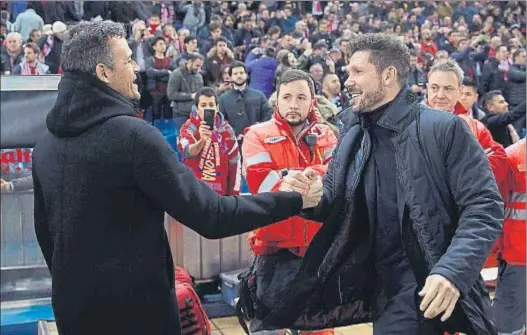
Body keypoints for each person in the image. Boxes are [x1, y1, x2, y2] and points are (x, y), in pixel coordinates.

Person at [31, 21, 323, 335]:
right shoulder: (135, 138)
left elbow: (47, 238)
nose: (136, 69)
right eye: (129, 59)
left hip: (73, 314)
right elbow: (213, 216)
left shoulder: (45, 144)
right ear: (103, 72)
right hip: (139, 318)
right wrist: (296, 200)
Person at [244, 33, 503, 335]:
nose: (347, 80)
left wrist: (451, 272)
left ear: (388, 75)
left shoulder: (444, 129)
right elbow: (335, 202)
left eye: (357, 71)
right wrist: (312, 199)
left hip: (441, 288)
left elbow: (484, 207)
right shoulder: (353, 135)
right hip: (387, 294)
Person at [241, 69, 338, 335]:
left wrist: (291, 176)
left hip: (317, 248)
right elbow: (262, 183)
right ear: (277, 100)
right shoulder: (256, 135)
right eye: (287, 97)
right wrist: (312, 177)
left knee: (319, 327)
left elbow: (337, 179)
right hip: (274, 248)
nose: (293, 104)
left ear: (312, 101)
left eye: (300, 97)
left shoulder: (327, 135)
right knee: (269, 327)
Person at [178, 87, 240, 196]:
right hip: (194, 195)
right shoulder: (188, 128)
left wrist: (234, 196)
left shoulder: (226, 130)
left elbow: (234, 163)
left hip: (219, 197)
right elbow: (187, 153)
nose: (208, 109)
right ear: (196, 109)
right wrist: (202, 140)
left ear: (217, 108)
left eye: (211, 105)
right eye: (203, 105)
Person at [493, 138, 526, 335]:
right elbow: (495, 205)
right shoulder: (512, 157)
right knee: (510, 314)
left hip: (518, 250)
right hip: (517, 252)